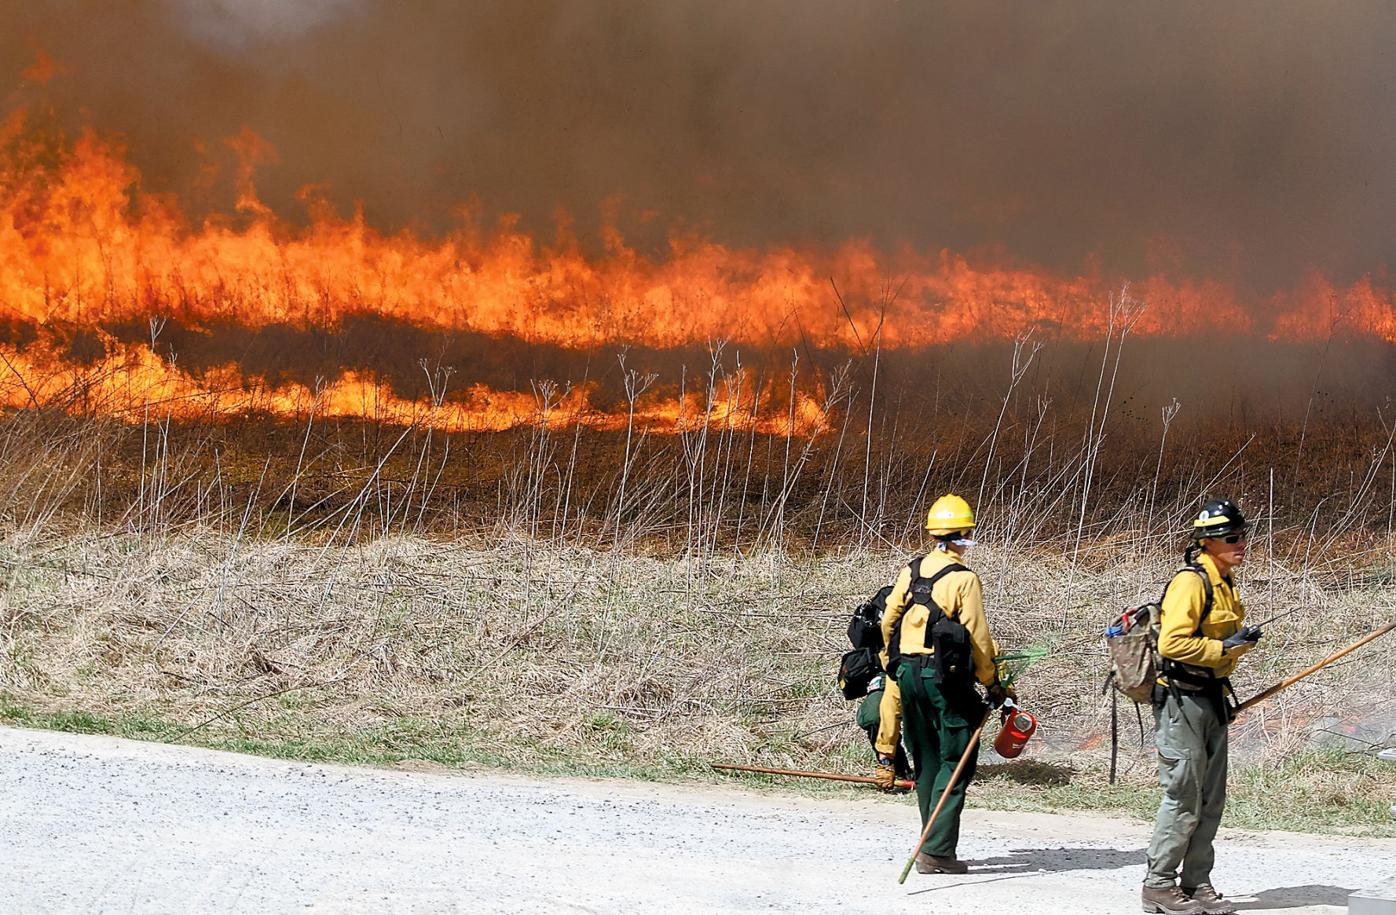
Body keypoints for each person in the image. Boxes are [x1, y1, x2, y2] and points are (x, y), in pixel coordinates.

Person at [879, 493, 1014, 875]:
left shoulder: (912, 569)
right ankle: (936, 851)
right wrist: (993, 683)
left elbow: (889, 618)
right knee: (956, 760)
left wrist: (892, 663)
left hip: (906, 674)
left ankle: (930, 841)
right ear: (964, 534)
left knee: (927, 759)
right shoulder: (964, 579)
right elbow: (978, 638)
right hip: (944, 680)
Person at [1142, 498, 1261, 915]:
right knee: (1183, 794)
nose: (1241, 543)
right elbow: (1171, 643)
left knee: (1211, 797)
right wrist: (1223, 646)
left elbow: (1213, 646)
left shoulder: (1225, 581)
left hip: (1211, 696)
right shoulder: (1191, 583)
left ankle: (1196, 882)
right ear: (1208, 543)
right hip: (1181, 700)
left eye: (1243, 535)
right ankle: (1158, 886)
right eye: (1232, 537)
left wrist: (1237, 647)